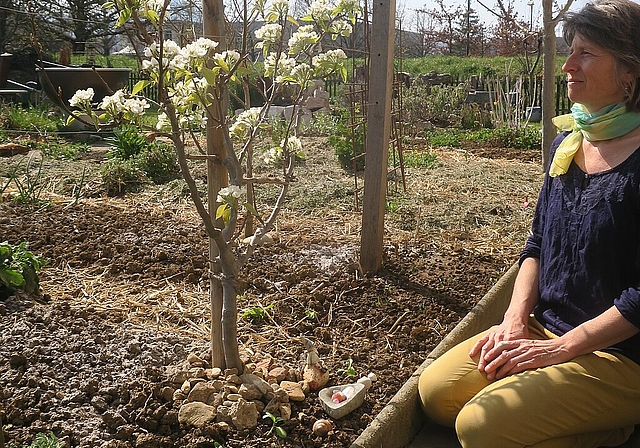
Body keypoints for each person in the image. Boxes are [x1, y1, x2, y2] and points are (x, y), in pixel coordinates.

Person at [417, 1, 640, 447]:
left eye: (587, 53)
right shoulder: (569, 141)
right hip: (545, 326)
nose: (568, 65)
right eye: (570, 50)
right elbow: (538, 242)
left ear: (630, 72)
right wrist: (515, 321)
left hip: (620, 355)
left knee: (480, 427)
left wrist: (558, 352)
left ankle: (615, 428)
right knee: (436, 395)